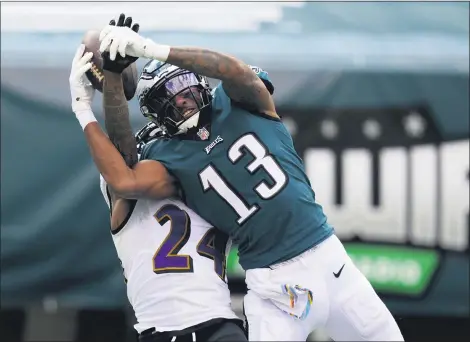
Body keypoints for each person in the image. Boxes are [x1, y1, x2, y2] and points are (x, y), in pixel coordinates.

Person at [69, 13, 404, 341]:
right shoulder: (168, 156)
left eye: (183, 86)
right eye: (166, 96)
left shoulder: (238, 100)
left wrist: (154, 49)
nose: (180, 99)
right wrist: (111, 78)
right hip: (273, 286)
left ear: (200, 81)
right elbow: (124, 174)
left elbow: (233, 69)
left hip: (330, 260)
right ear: (155, 113)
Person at [70, 14, 247, 342]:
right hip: (173, 327)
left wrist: (88, 105)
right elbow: (123, 166)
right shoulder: (138, 179)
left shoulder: (205, 166)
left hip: (216, 320)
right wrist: (107, 83)